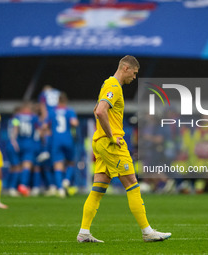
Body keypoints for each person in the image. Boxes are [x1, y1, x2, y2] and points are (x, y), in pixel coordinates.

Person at [77, 55, 171, 243]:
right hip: (111, 144)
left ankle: (84, 232)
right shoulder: (113, 86)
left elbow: (98, 108)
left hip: (101, 143)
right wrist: (112, 136)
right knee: (133, 185)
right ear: (126, 68)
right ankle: (147, 232)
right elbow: (100, 110)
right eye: (134, 73)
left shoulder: (107, 85)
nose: (135, 77)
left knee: (98, 189)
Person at [45, 93, 79, 197]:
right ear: (66, 101)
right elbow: (74, 123)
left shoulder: (52, 112)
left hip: (56, 141)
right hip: (67, 139)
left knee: (57, 165)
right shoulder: (69, 111)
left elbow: (45, 125)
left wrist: (49, 131)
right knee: (71, 163)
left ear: (58, 101)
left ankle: (60, 189)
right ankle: (67, 180)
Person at [14, 102, 39, 197]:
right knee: (27, 166)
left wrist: (14, 141)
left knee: (19, 166)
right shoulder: (33, 117)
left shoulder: (17, 117)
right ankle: (23, 186)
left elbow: (15, 128)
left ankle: (17, 186)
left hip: (20, 143)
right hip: (29, 143)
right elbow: (39, 127)